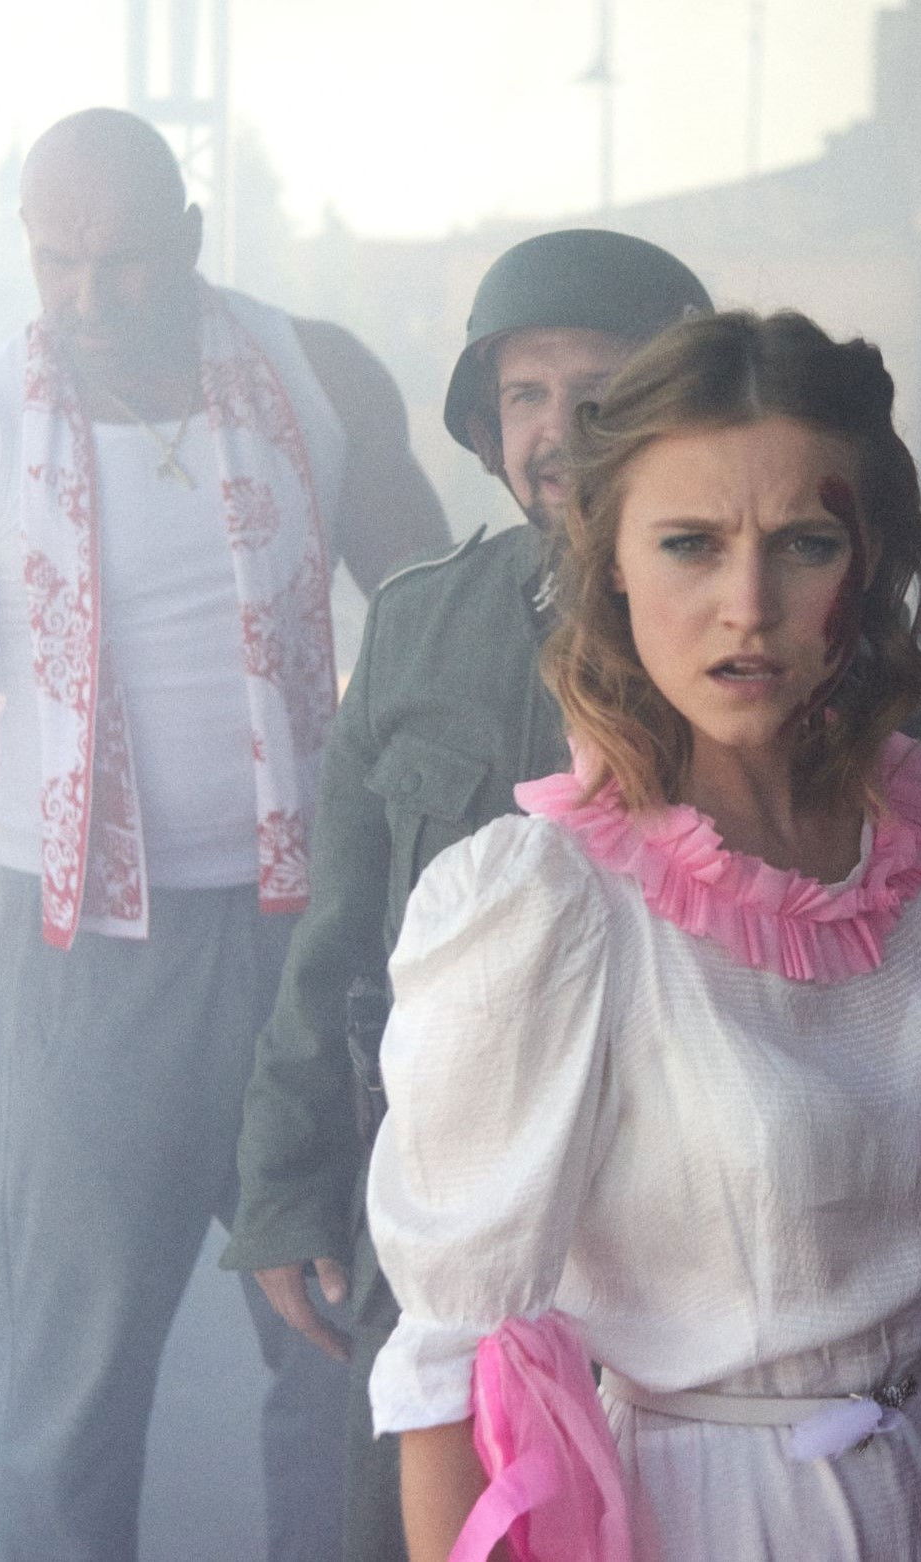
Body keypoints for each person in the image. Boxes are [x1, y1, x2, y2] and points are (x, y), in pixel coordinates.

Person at [0, 106, 448, 1562]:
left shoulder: (322, 377)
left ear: (191, 241)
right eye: (55, 262)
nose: (86, 297)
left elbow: (444, 648)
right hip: (80, 966)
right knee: (69, 1393)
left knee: (346, 1352)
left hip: (309, 939)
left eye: (123, 261)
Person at [371, 310, 921, 1561]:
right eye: (689, 543)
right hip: (719, 1521)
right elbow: (445, 1364)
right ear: (610, 562)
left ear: (869, 556)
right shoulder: (542, 903)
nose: (748, 605)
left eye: (803, 542)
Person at [219, 227, 711, 1559]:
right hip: (436, 1214)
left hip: (678, 1226)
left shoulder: (758, 626)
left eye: (600, 392)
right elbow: (337, 936)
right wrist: (286, 1180)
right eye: (524, 395)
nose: (557, 430)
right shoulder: (420, 623)